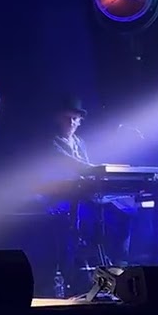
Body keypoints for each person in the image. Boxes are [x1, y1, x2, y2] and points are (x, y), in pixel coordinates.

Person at [50, 97, 133, 268]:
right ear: (58, 118)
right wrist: (95, 169)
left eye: (75, 119)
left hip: (86, 193)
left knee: (124, 213)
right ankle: (88, 262)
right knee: (93, 219)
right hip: (64, 195)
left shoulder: (80, 143)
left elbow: (87, 169)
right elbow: (69, 163)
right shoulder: (52, 142)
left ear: (80, 121)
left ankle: (119, 262)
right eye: (67, 118)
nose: (71, 122)